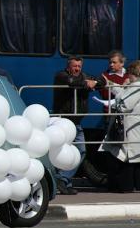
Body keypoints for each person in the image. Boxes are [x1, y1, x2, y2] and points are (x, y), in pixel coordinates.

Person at [53, 56, 106, 195]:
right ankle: (61, 180)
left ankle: (63, 179)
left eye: (79, 66)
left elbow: (102, 81)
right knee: (60, 152)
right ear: (68, 66)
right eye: (74, 66)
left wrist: (94, 82)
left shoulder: (84, 76)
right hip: (63, 121)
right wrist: (87, 83)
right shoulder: (61, 75)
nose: (77, 69)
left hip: (76, 122)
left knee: (81, 151)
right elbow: (71, 82)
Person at [99, 60, 140, 193]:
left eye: (129, 73)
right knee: (132, 158)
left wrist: (113, 104)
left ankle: (124, 187)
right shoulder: (134, 86)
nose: (127, 76)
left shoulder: (136, 87)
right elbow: (123, 92)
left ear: (133, 74)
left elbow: (124, 105)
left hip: (130, 128)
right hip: (133, 128)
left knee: (125, 158)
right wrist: (110, 84)